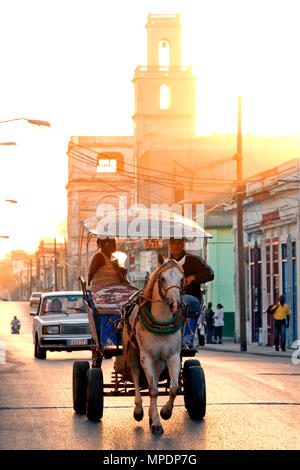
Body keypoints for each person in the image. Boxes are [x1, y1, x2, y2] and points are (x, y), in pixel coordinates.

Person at [168, 238, 214, 316]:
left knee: (182, 300)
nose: (176, 246)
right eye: (173, 243)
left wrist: (193, 277)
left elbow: (210, 274)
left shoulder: (194, 260)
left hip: (192, 299)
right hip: (171, 299)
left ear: (183, 244)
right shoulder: (167, 263)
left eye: (178, 243)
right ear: (169, 244)